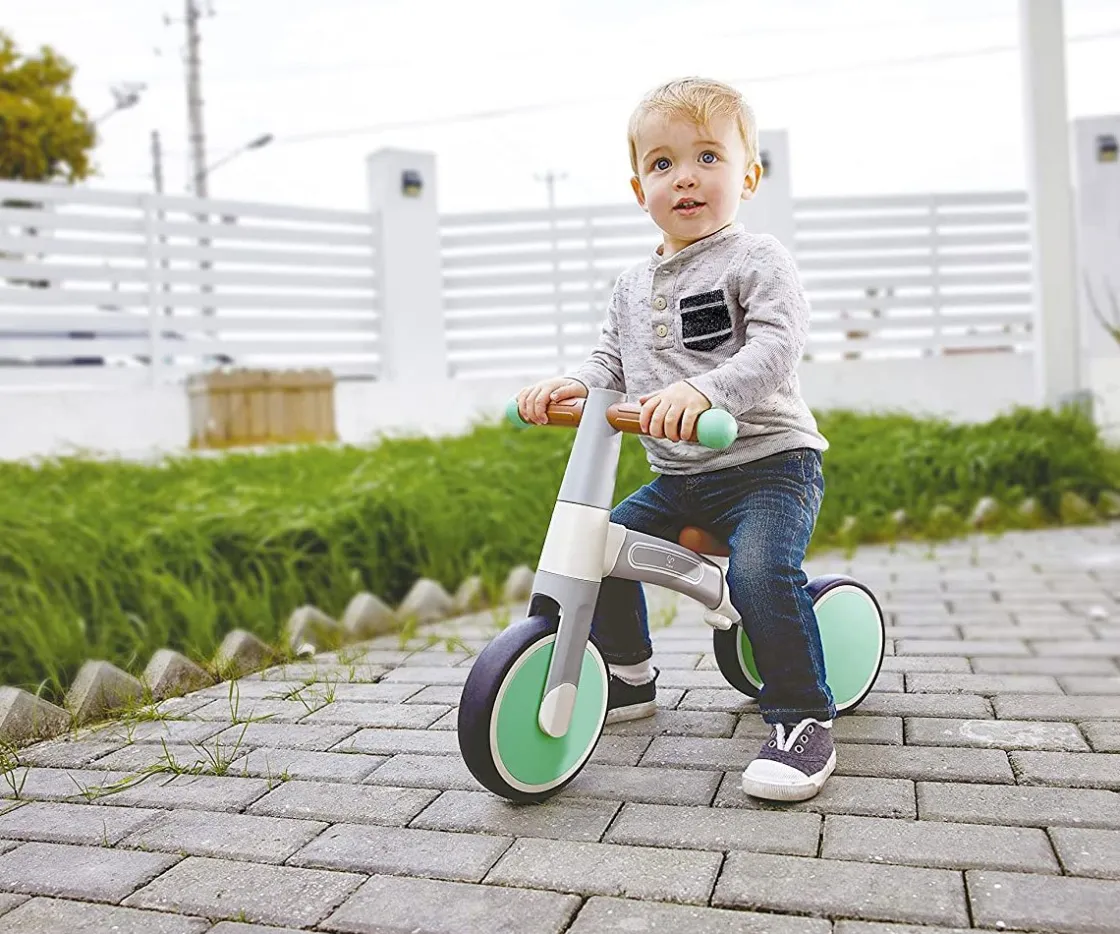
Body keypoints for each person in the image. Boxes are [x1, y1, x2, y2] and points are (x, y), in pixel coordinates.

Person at [515, 77, 835, 802]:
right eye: (662, 164)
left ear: (747, 177)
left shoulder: (757, 259)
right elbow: (609, 361)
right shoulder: (631, 284)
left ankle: (801, 717)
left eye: (708, 157)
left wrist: (704, 391)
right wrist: (572, 386)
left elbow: (776, 349)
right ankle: (628, 674)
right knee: (602, 543)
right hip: (679, 474)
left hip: (768, 467)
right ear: (640, 190)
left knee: (759, 574)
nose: (684, 176)